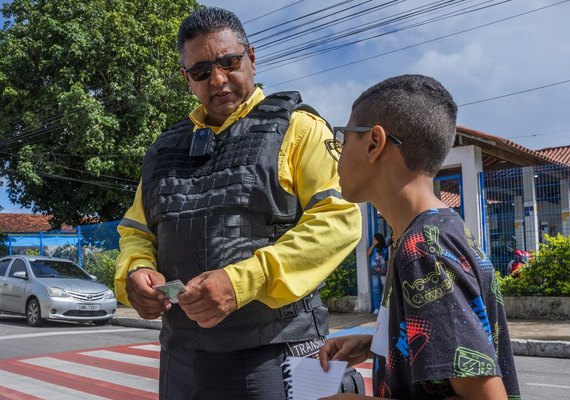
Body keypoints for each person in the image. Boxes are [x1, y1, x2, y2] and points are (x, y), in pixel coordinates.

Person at [113, 6, 362, 400]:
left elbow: (338, 222)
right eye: (200, 71)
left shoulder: (300, 129)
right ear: (186, 78)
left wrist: (242, 280)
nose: (218, 79)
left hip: (281, 350)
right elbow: (137, 231)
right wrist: (137, 272)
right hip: (182, 358)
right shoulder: (161, 150)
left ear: (251, 57)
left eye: (229, 62)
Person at [318, 74, 520, 399]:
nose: (337, 154)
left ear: (374, 143)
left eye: (343, 139)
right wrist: (376, 346)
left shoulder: (422, 249)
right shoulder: (433, 230)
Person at [367, 232, 388, 314]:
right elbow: (368, 253)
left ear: (378, 240)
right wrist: (373, 245)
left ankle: (384, 308)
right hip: (374, 273)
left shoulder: (385, 249)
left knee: (385, 290)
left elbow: (387, 260)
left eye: (374, 239)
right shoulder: (373, 248)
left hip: (383, 272)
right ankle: (376, 308)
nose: (373, 240)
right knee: (375, 290)